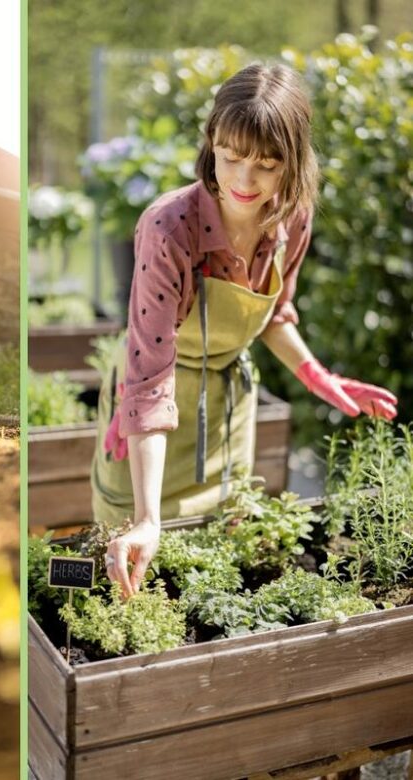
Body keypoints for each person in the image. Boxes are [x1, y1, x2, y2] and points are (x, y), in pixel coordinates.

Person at [91, 63, 398, 598]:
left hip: (229, 404)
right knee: (136, 561)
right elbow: (148, 382)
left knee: (223, 561)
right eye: (231, 158)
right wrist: (146, 517)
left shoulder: (292, 217)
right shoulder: (170, 229)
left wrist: (318, 377)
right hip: (149, 418)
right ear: (212, 143)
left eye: (266, 164)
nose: (243, 181)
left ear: (293, 163)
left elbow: (275, 312)